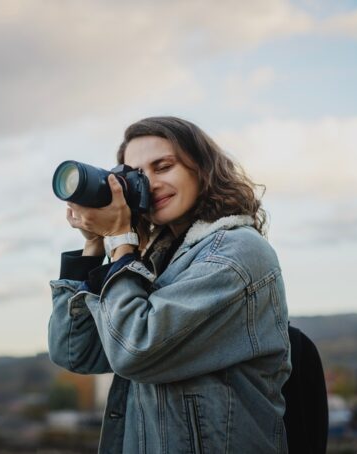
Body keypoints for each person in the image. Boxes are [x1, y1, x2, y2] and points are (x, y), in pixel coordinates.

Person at [48, 116, 291, 453]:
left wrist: (120, 240)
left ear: (202, 169)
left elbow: (134, 348)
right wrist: (93, 246)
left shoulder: (236, 253)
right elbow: (75, 352)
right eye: (136, 176)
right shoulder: (154, 260)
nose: (151, 184)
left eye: (163, 167)